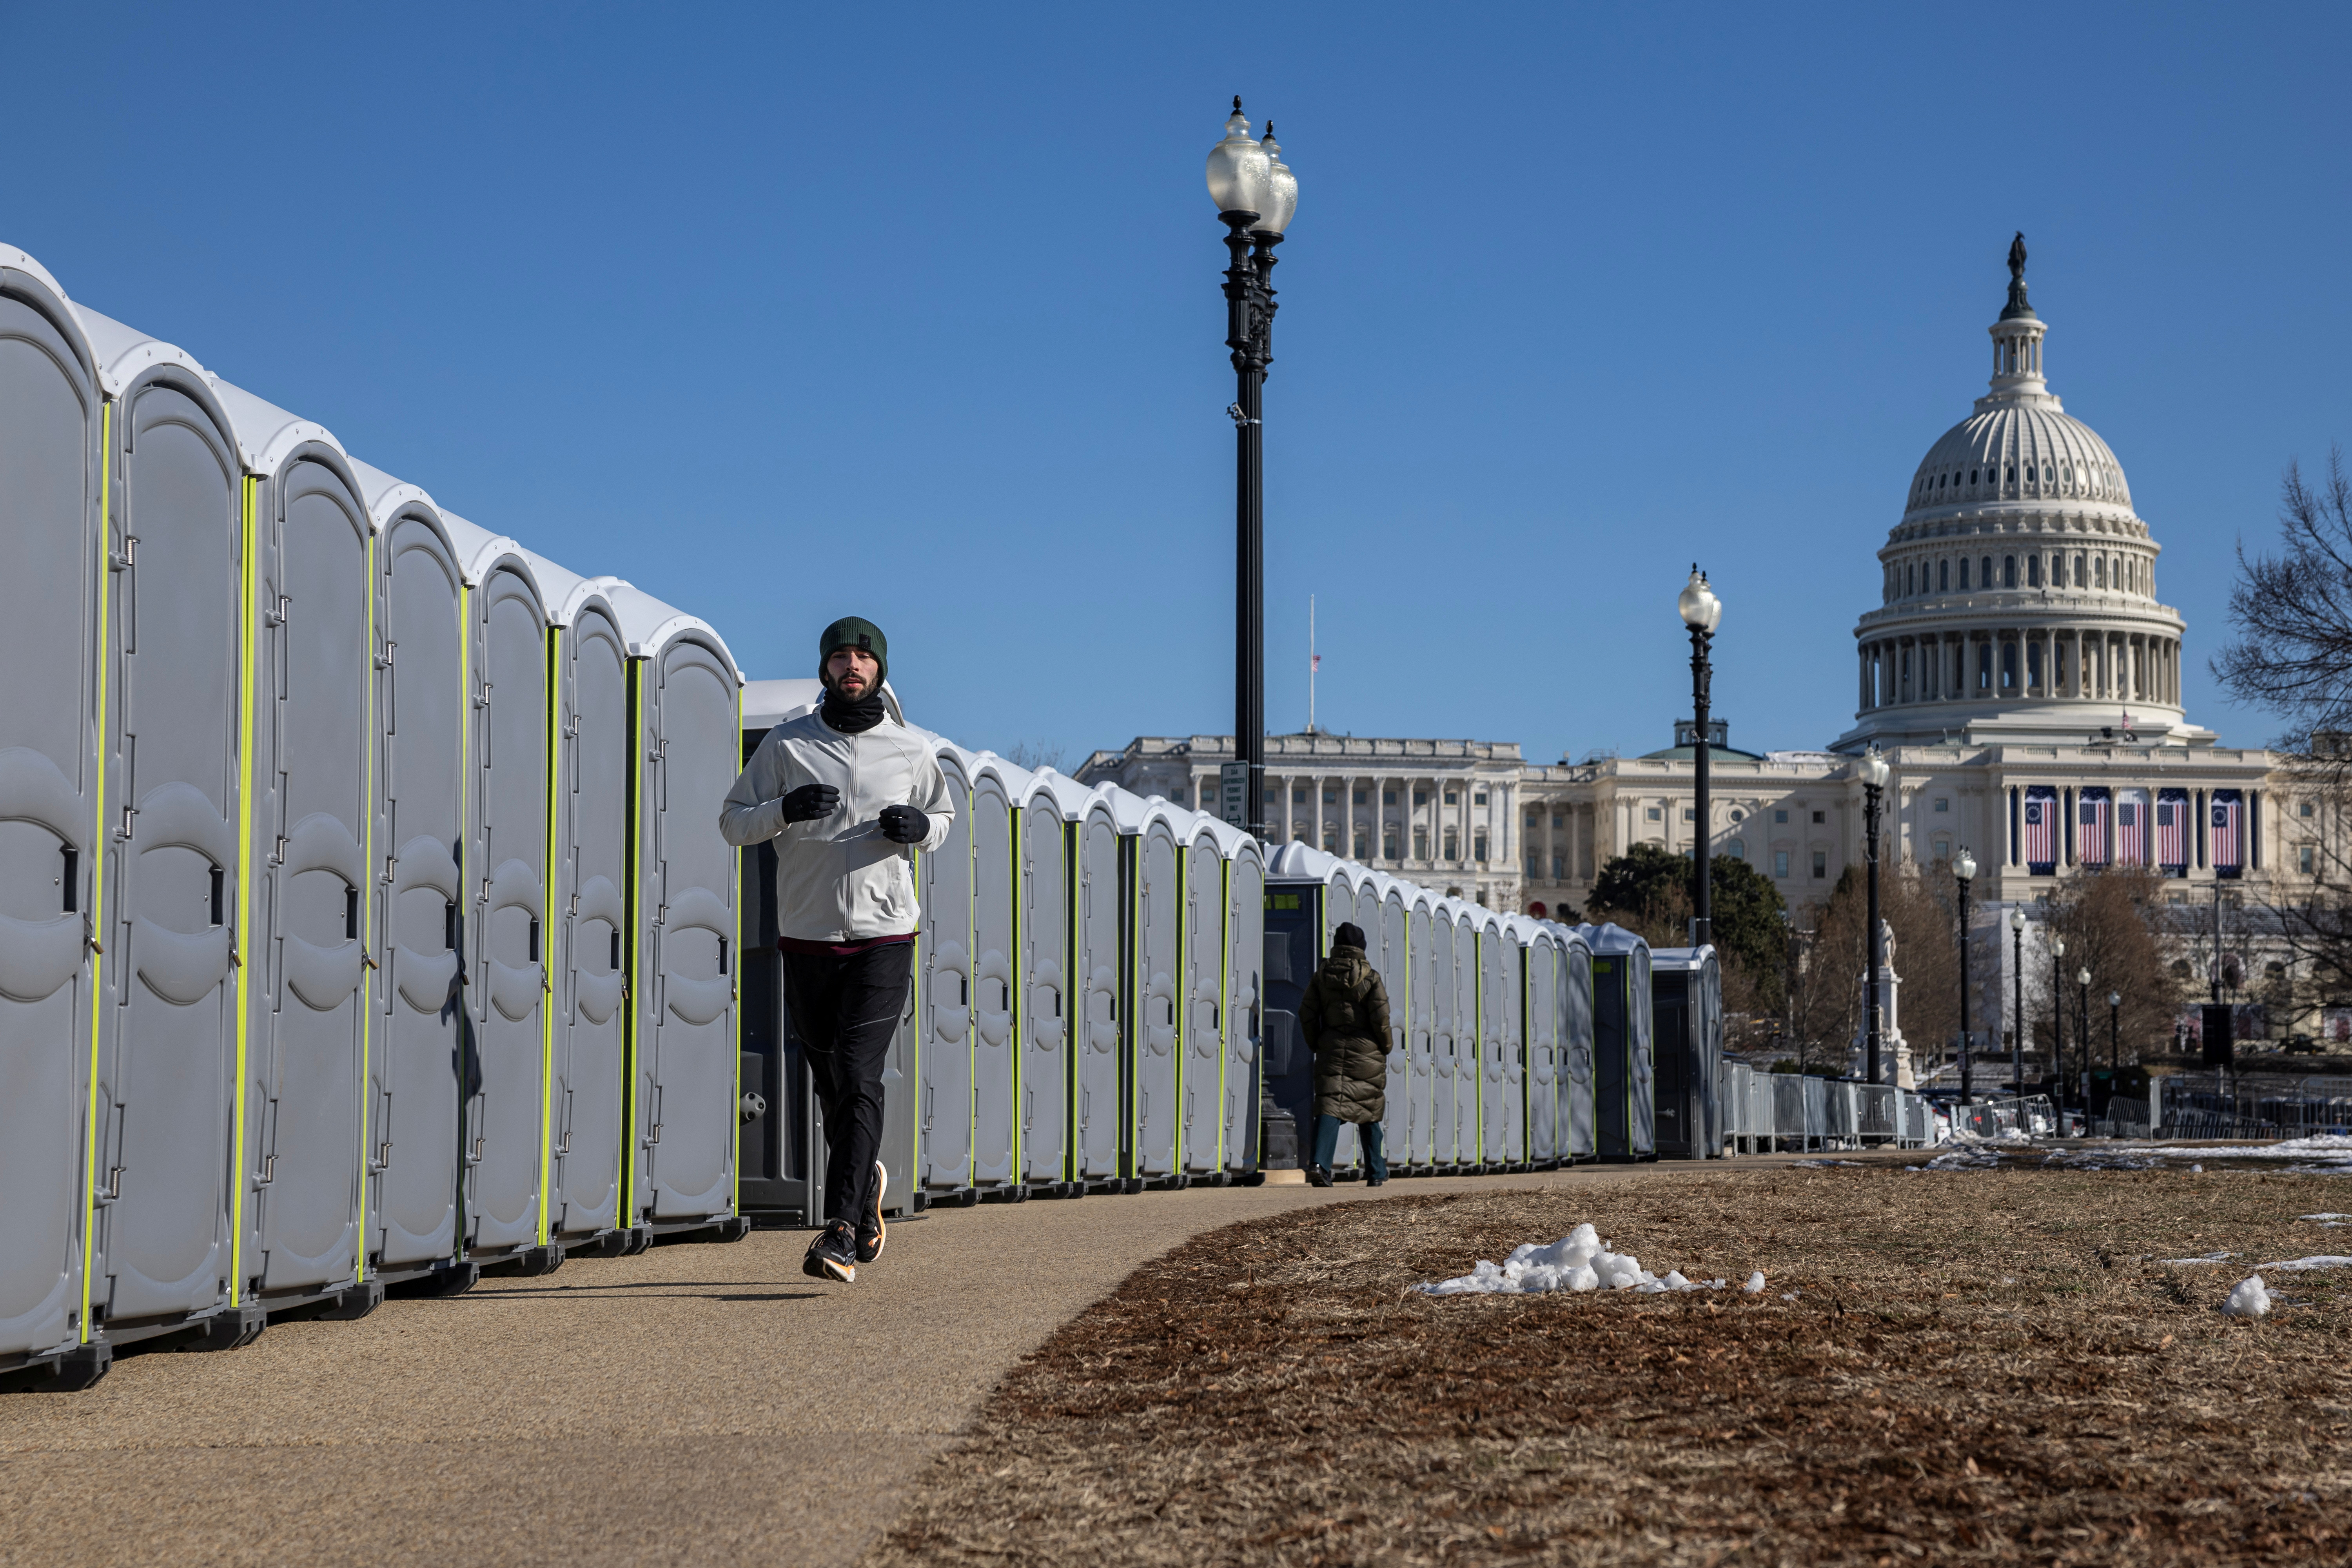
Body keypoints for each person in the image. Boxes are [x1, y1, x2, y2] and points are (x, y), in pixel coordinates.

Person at [720, 616, 954, 1283]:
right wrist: (784, 810)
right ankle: (865, 1184)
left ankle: (841, 1231)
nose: (853, 666)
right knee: (833, 1085)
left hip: (885, 934)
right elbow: (732, 821)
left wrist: (919, 828)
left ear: (880, 670)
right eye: (841, 657)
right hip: (807, 935)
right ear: (825, 668)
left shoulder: (910, 749)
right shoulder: (788, 745)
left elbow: (943, 817)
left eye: (864, 657)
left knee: (858, 1071)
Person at [1298, 922, 1391, 1188]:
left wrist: (1317, 1042)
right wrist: (1385, 1046)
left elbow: (1306, 1013)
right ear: (1361, 947)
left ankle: (1319, 1165)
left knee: (1329, 1105)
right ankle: (1376, 1171)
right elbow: (1381, 1018)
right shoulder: (1371, 977)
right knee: (1368, 1108)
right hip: (1366, 1051)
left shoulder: (1321, 976)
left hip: (1332, 1047)